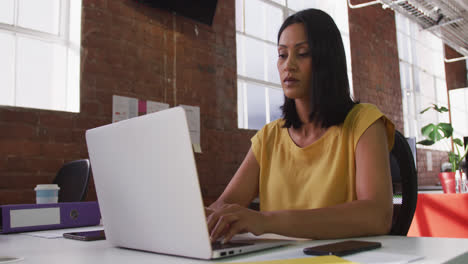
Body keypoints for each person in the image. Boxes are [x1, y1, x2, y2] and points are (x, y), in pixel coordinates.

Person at [206, 8, 395, 244]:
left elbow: (377, 216)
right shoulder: (269, 136)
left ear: (327, 60)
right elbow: (225, 205)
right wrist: (200, 219)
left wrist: (264, 221)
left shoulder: (364, 122)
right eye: (282, 55)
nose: (289, 65)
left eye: (302, 53)